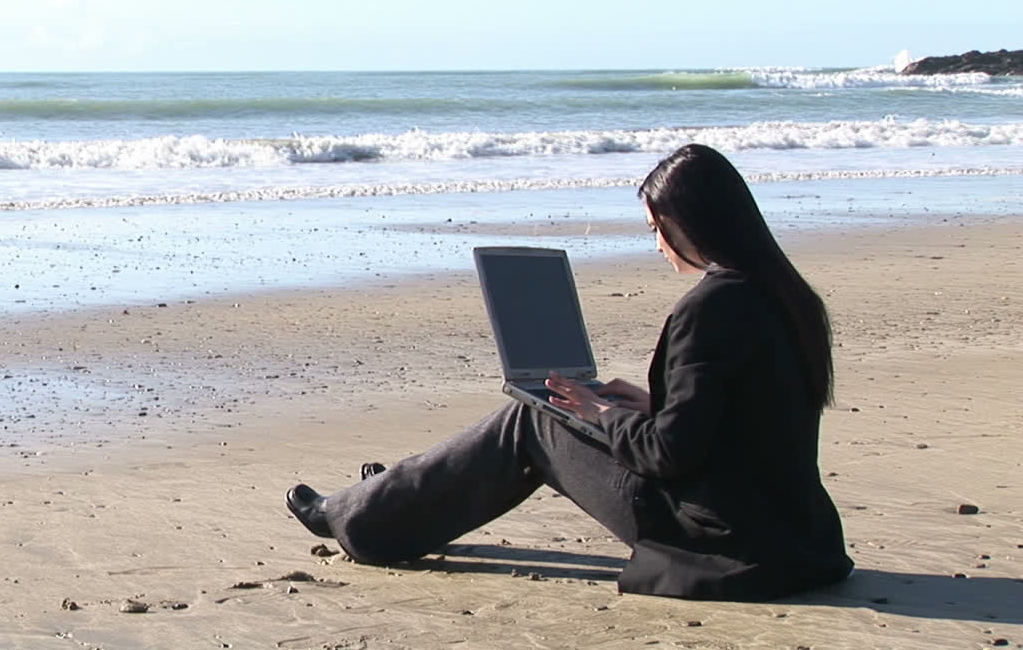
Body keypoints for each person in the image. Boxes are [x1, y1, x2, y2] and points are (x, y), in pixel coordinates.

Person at [284, 144, 854, 601]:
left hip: (723, 544)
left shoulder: (711, 306)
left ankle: (356, 518)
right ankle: (394, 497)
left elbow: (668, 457)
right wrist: (656, 406)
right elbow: (754, 417)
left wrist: (602, 413)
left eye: (657, 228)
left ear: (687, 224)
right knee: (548, 413)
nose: (657, 244)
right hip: (799, 539)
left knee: (532, 421)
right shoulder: (788, 295)